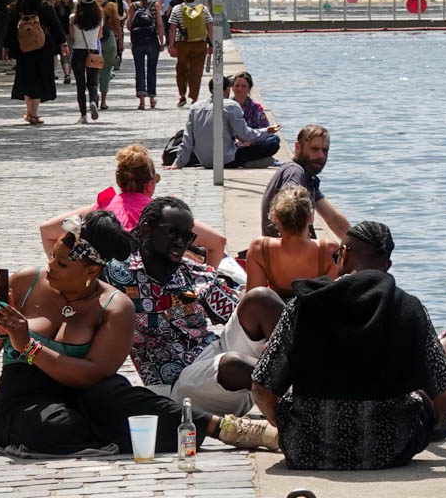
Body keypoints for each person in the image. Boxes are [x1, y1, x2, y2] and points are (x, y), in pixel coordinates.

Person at [0, 209, 275, 456]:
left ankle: (224, 428)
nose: (50, 266)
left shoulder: (114, 306)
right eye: (52, 257)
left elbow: (93, 375)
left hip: (89, 392)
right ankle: (124, 429)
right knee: (55, 427)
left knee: (125, 398)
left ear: (91, 271)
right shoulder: (25, 282)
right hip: (25, 397)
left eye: (61, 263)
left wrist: (29, 347)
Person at [252, 221, 446, 470]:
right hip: (387, 453)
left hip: (307, 451)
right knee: (442, 361)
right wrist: (434, 425)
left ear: (343, 253)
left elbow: (262, 389)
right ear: (387, 266)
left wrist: (288, 425)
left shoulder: (304, 304)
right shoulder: (409, 308)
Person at [104, 196, 284, 418]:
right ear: (146, 229)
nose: (181, 242)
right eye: (172, 233)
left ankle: (307, 384)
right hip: (178, 386)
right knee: (232, 363)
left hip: (220, 367)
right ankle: (294, 402)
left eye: (187, 236)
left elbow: (237, 312)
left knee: (261, 299)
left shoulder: (194, 273)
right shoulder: (117, 275)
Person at [39, 144, 229, 262]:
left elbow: (46, 230)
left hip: (109, 291)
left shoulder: (102, 207)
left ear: (119, 181)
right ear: (150, 184)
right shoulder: (164, 213)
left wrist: (60, 266)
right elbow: (218, 242)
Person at [246, 186, 339, 300]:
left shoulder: (260, 248)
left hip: (276, 310)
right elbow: (333, 298)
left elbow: (254, 298)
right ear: (309, 218)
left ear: (276, 218)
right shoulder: (330, 250)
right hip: (314, 310)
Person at [259, 125, 349, 241]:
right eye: (315, 149)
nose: (321, 156)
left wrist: (358, 244)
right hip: (287, 248)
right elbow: (289, 209)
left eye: (325, 150)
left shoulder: (308, 178)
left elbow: (333, 219)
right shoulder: (295, 172)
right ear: (298, 147)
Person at [1, 0, 65, 125]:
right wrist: (63, 43)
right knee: (38, 80)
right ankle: (34, 114)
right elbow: (55, 25)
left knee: (27, 80)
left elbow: (10, 28)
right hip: (42, 48)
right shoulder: (44, 7)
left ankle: (29, 112)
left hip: (23, 49)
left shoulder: (17, 7)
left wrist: (6, 47)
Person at [175, 96, 281, 169]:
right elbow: (246, 135)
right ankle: (252, 162)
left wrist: (178, 163)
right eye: (237, 86)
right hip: (227, 159)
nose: (239, 89)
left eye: (243, 86)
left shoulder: (195, 108)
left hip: (205, 161)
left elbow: (187, 139)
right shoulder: (231, 106)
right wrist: (267, 130)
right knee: (274, 141)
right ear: (227, 89)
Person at [168, 0, 211, 107]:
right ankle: (194, 98)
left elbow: (172, 29)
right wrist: (212, 44)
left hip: (182, 44)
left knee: (181, 70)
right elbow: (210, 27)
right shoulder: (203, 9)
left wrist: (171, 46)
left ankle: (182, 95)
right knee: (196, 71)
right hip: (200, 43)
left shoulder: (177, 9)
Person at [66, 0, 104, 124]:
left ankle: (83, 115)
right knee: (93, 82)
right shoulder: (99, 18)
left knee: (80, 85)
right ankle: (93, 101)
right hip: (93, 51)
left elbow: (71, 37)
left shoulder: (73, 18)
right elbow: (100, 35)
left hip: (78, 52)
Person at [128, 0, 164, 110]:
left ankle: (142, 101)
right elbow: (159, 25)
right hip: (152, 41)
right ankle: (152, 99)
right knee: (152, 69)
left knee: (139, 70)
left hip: (138, 41)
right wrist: (161, 42)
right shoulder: (155, 5)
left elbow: (129, 25)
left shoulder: (133, 6)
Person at [93, 0, 123, 114]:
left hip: (93, 40)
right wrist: (120, 41)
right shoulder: (111, 5)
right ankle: (103, 101)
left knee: (94, 70)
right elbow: (116, 24)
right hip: (108, 38)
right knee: (105, 71)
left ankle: (94, 97)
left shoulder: (92, 5)